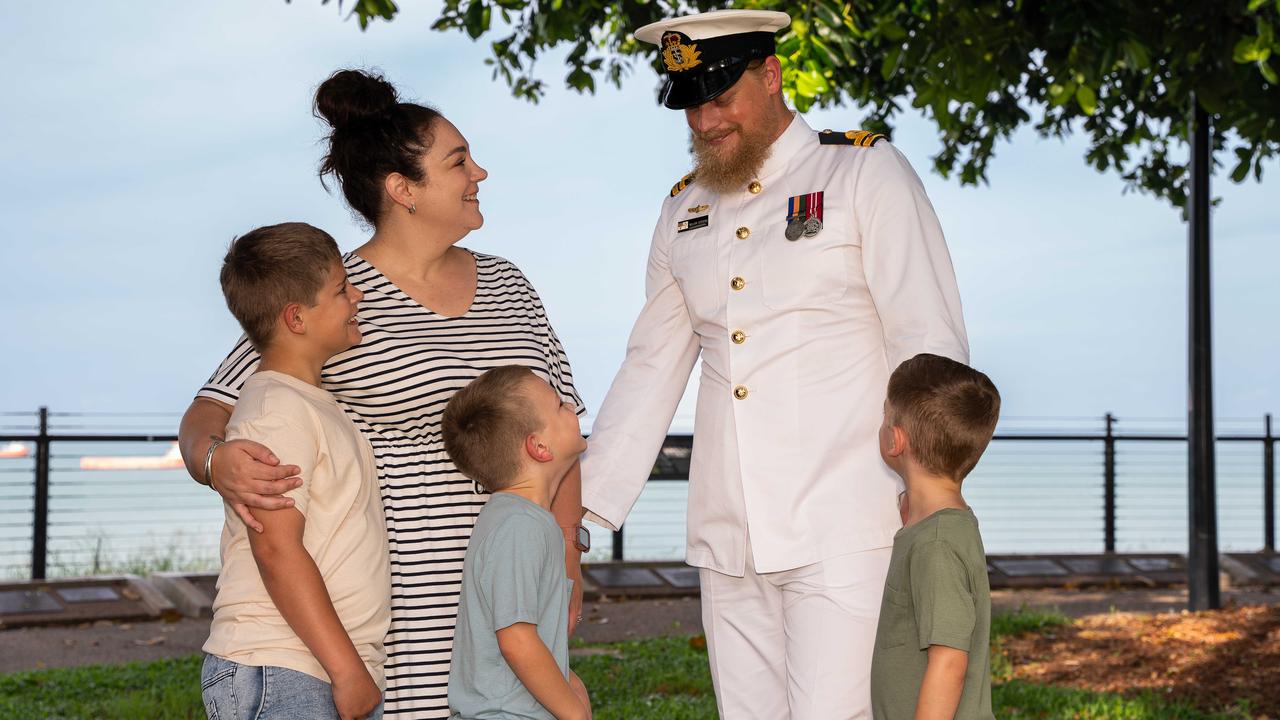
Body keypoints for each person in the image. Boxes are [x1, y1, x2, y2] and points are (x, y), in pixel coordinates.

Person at [579, 9, 970, 719]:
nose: (704, 122)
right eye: (690, 106)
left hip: (847, 520)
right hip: (728, 534)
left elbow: (927, 342)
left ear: (772, 74)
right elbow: (651, 366)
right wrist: (580, 507)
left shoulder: (861, 171)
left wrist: (932, 493)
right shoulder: (683, 211)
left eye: (720, 98)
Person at [178, 69, 588, 719]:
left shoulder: (512, 287)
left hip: (505, 597)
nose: (479, 173)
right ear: (403, 189)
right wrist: (214, 461)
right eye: (459, 162)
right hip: (385, 610)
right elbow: (211, 411)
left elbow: (565, 426)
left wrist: (567, 550)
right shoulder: (335, 296)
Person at [200, 222, 389, 720]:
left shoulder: (307, 403)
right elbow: (277, 548)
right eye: (342, 289)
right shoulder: (277, 410)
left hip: (310, 667)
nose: (358, 295)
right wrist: (347, 670)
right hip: (285, 668)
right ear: (296, 318)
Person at [441, 366, 592, 720]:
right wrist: (575, 713)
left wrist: (568, 681)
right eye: (558, 406)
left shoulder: (523, 520)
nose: (570, 406)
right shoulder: (518, 526)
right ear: (538, 446)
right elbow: (517, 639)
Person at [870, 353, 999, 720]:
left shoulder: (936, 546)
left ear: (894, 440)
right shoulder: (940, 526)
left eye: (885, 415)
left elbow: (949, 662)